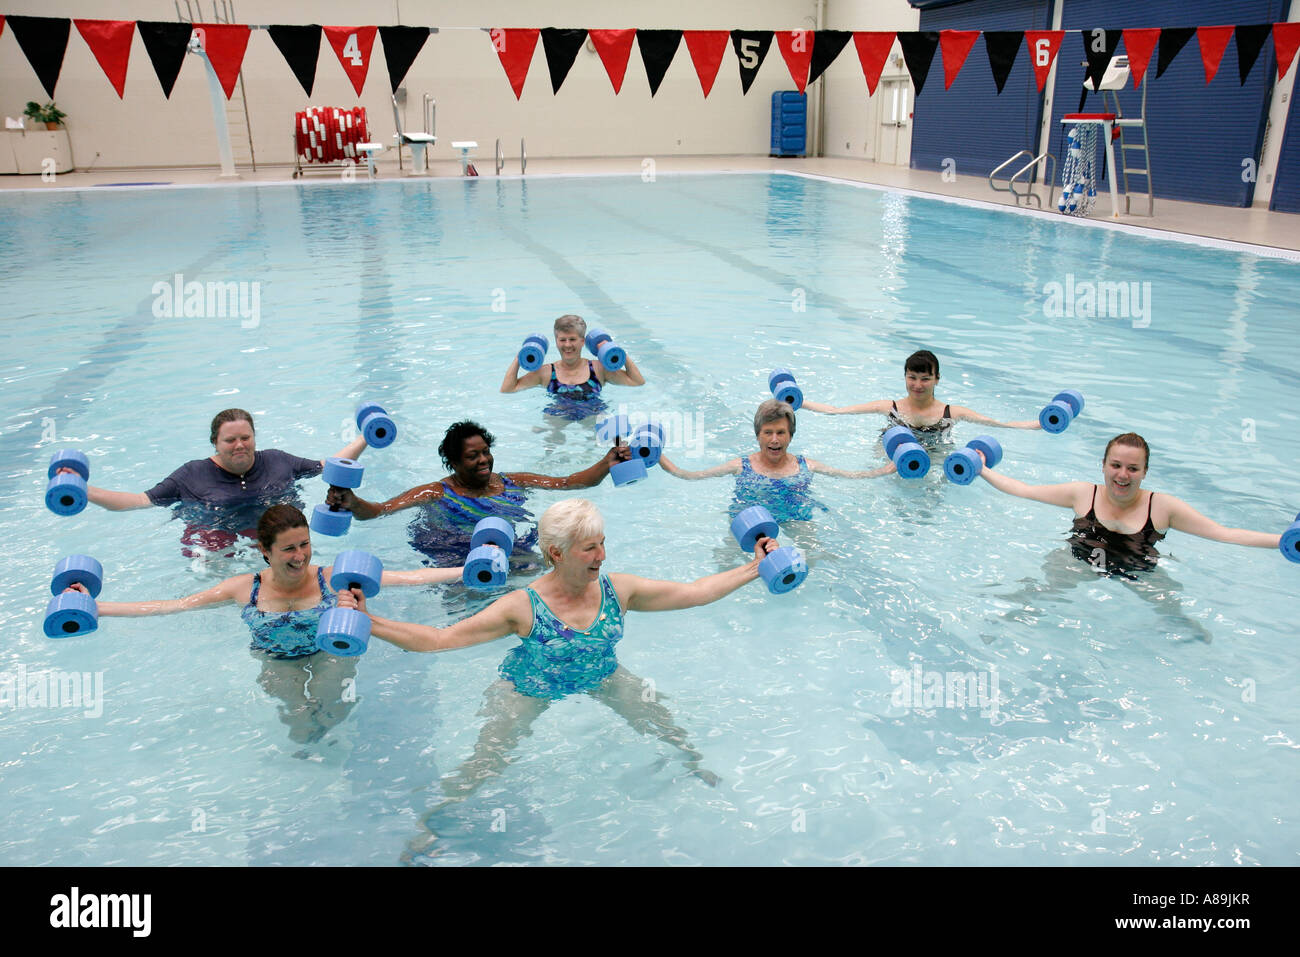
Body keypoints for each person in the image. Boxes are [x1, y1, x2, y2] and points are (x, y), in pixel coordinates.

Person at [333, 497, 782, 853]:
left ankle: (695, 768)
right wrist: (371, 621)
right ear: (556, 553)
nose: (602, 555)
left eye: (602, 543)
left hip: (601, 673)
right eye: (590, 548)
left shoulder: (618, 590)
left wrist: (755, 565)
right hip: (531, 685)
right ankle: (434, 822)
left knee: (661, 720)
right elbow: (438, 639)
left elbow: (694, 594)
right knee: (486, 762)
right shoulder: (521, 607)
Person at [63, 504, 462, 743]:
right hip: (275, 659)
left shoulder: (332, 578)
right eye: (289, 548)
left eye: (304, 544)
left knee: (332, 709)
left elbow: (408, 577)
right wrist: (97, 607)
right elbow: (173, 606)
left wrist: (471, 570)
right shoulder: (243, 589)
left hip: (330, 653)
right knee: (299, 723)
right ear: (265, 551)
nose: (300, 556)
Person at [976, 433, 1285, 641]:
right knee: (1039, 593)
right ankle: (1004, 621)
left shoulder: (1163, 507)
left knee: (1174, 612)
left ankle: (1192, 635)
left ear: (1145, 472)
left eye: (1133, 468)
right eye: (1116, 465)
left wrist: (1284, 539)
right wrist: (981, 468)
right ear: (1103, 466)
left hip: (1138, 568)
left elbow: (1224, 534)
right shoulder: (1083, 493)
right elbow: (1024, 490)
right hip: (1079, 560)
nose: (1123, 475)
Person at [325, 419, 631, 567]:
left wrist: (607, 462)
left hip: (510, 548)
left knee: (539, 569)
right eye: (473, 456)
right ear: (454, 462)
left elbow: (569, 483)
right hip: (454, 551)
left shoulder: (511, 481)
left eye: (486, 452)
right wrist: (351, 501)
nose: (484, 460)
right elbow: (379, 511)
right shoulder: (435, 492)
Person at [63, 408, 369, 553]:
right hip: (213, 533)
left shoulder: (278, 460)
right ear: (215, 442)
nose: (239, 445)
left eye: (245, 438)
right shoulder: (191, 474)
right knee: (210, 564)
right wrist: (82, 489)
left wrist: (367, 436)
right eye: (230, 440)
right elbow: (136, 502)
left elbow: (330, 466)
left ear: (254, 438)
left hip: (268, 537)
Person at [657, 400, 895, 523]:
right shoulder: (741, 465)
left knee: (816, 554)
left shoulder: (806, 466)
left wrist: (889, 469)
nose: (774, 440)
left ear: (790, 435)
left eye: (781, 432)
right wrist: (656, 456)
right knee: (726, 560)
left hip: (794, 516)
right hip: (747, 518)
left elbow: (851, 476)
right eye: (768, 432)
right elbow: (689, 475)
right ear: (757, 434)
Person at [801, 350, 1041, 445]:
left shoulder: (952, 413)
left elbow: (1000, 424)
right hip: (892, 456)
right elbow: (835, 410)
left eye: (925, 378)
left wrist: (1041, 424)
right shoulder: (890, 407)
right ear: (905, 376)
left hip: (935, 459)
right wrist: (799, 402)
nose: (917, 385)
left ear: (937, 379)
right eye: (912, 377)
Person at [499, 314, 646, 420]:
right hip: (557, 416)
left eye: (572, 339)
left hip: (593, 414)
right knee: (551, 441)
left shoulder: (599, 369)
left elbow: (637, 381)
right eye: (562, 340)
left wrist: (615, 350)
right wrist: (521, 355)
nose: (567, 345)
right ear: (556, 341)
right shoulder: (545, 373)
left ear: (582, 341)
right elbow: (507, 389)